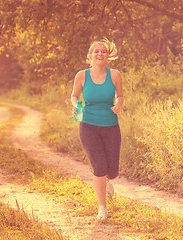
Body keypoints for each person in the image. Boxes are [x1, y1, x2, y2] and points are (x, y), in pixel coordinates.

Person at [70, 38, 124, 221]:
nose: (100, 54)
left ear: (108, 56)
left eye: (103, 51)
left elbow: (120, 96)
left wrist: (118, 104)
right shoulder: (81, 76)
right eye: (96, 51)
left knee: (112, 172)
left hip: (110, 126)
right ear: (90, 56)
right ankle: (102, 208)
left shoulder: (115, 75)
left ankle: (108, 181)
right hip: (88, 126)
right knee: (99, 167)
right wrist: (76, 106)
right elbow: (74, 95)